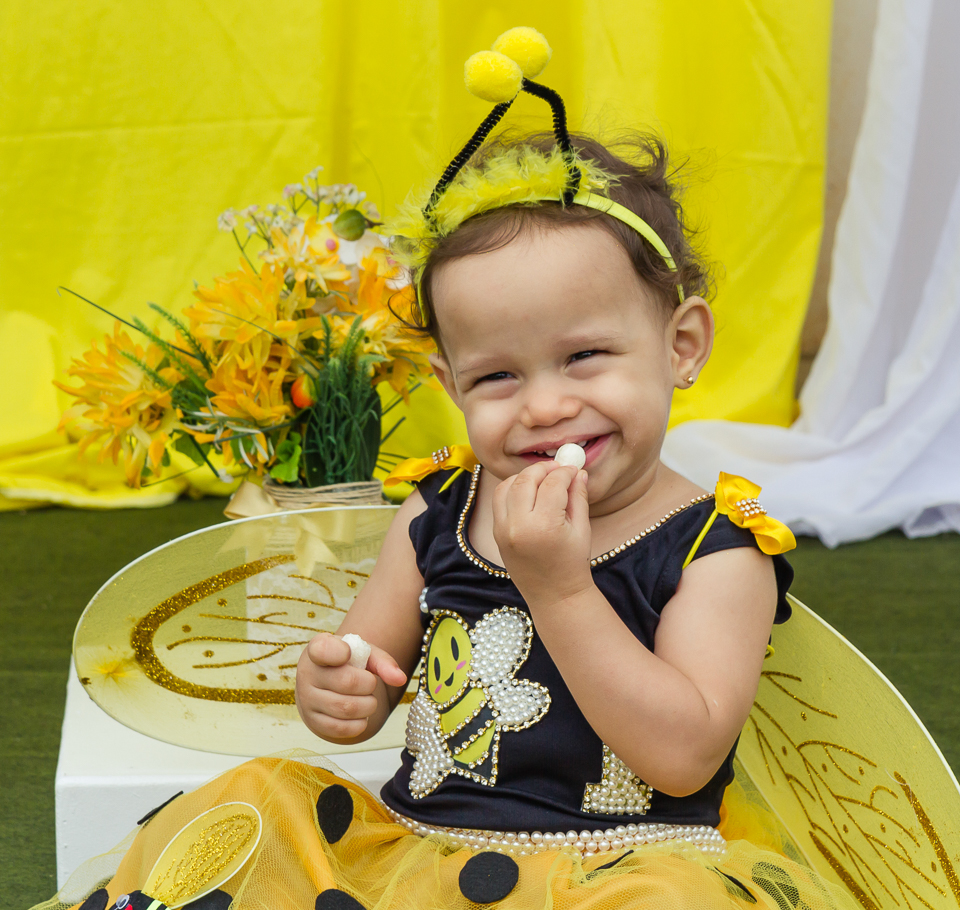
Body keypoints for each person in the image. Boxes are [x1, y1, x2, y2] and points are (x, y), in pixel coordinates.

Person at [45, 29, 861, 910]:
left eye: (585, 355)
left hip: (625, 870)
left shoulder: (714, 549)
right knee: (259, 799)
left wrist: (560, 588)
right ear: (449, 384)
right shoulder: (439, 513)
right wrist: (339, 688)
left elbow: (684, 751)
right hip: (420, 855)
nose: (544, 406)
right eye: (498, 377)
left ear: (682, 346)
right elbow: (371, 664)